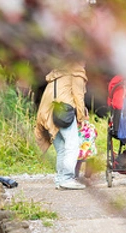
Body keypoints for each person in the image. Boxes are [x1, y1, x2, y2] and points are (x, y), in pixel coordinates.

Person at [35, 60, 89, 190]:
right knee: (72, 145)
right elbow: (78, 96)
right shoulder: (77, 72)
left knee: (62, 149)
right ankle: (66, 179)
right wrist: (82, 117)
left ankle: (60, 179)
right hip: (63, 113)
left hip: (46, 114)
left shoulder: (57, 74)